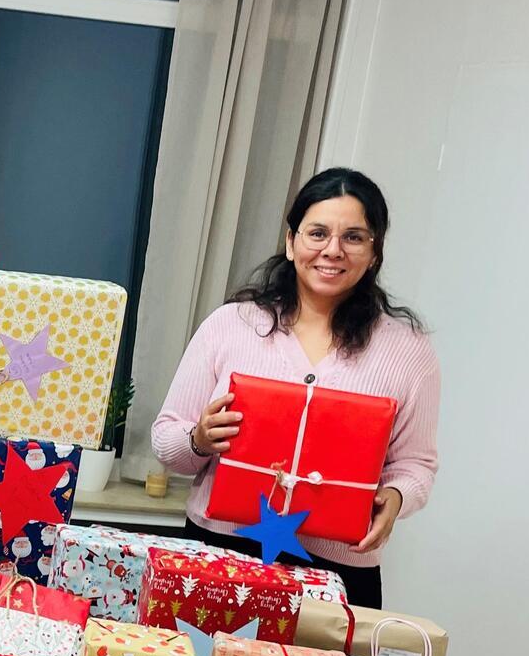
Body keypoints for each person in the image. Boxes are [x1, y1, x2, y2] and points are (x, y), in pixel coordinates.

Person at [150, 168, 439, 607]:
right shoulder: (232, 325)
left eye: (354, 237)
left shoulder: (408, 351)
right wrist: (200, 438)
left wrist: (396, 497)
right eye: (318, 233)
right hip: (223, 554)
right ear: (291, 242)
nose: (333, 250)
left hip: (338, 572)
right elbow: (167, 440)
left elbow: (416, 464)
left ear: (375, 251)